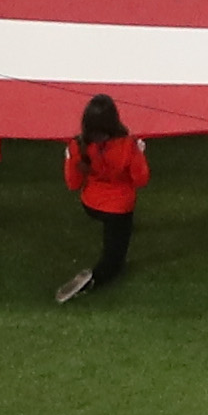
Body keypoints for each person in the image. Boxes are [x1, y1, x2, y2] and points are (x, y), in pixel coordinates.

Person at [60, 91, 146, 304]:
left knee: (114, 239)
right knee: (114, 262)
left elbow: (73, 184)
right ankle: (92, 281)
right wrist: (141, 153)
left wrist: (69, 160)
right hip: (119, 210)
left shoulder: (77, 146)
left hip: (90, 204)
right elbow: (141, 180)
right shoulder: (128, 146)